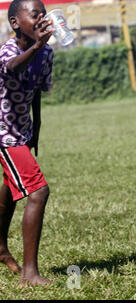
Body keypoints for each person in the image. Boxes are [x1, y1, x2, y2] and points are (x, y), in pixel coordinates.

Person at [0, 0, 54, 286]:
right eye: (35, 15)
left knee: (11, 187)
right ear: (15, 23)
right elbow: (11, 69)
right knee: (37, 192)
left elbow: (36, 93)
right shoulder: (8, 50)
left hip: (22, 131)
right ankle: (29, 274)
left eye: (44, 15)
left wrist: (37, 129)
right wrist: (36, 47)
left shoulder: (46, 54)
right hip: (3, 133)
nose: (41, 20)